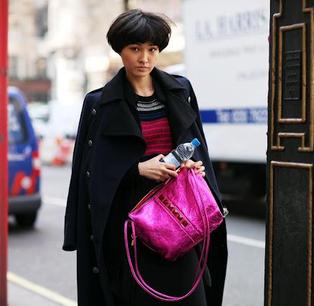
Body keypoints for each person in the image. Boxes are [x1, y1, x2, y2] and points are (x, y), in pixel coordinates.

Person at [62, 9, 228, 306]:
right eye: (135, 49)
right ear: (120, 50)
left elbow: (195, 143)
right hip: (132, 228)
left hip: (181, 220)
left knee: (192, 298)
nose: (144, 58)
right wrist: (137, 169)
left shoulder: (181, 91)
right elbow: (90, 173)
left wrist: (193, 167)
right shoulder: (99, 103)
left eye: (152, 49)